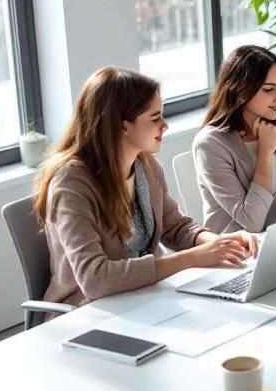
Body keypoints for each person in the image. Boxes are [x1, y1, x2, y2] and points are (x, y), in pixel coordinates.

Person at [34, 67, 259, 309]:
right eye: (155, 118)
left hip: (145, 299)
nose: (165, 125)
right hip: (88, 311)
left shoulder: (145, 165)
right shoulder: (71, 184)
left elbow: (175, 227)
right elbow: (94, 279)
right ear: (123, 126)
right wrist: (191, 258)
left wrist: (221, 244)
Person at [193, 45, 276, 233]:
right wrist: (265, 153)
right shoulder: (210, 145)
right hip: (240, 247)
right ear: (240, 91)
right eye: (269, 89)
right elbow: (251, 222)